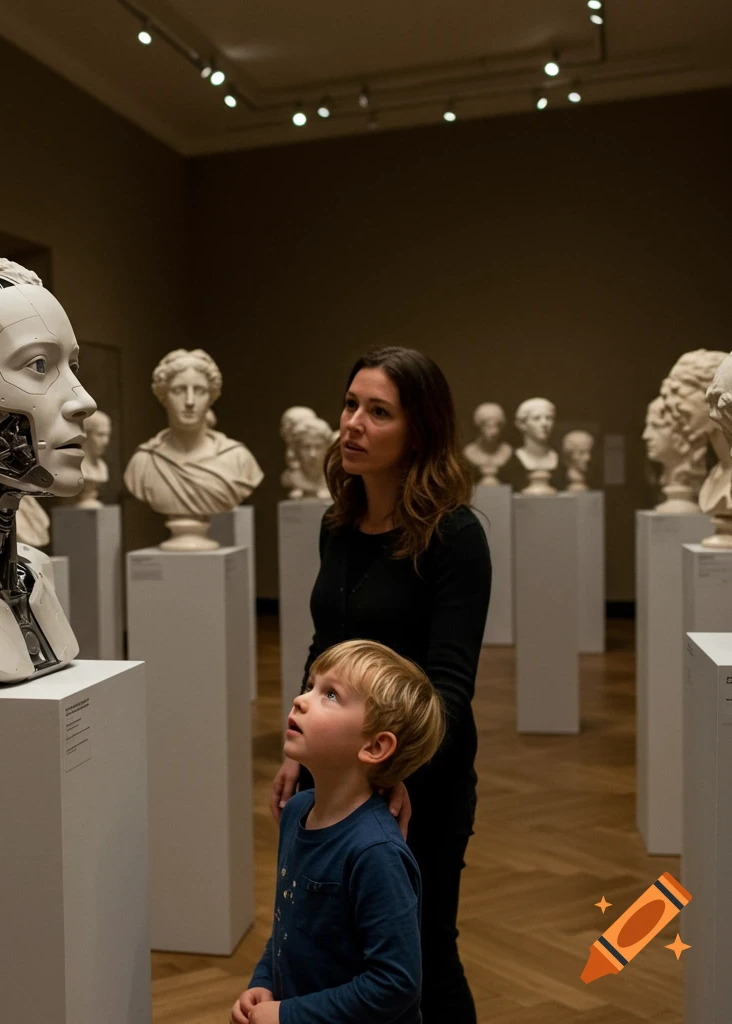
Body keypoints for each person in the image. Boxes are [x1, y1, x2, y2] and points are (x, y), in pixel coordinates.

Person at [270, 346, 491, 1023]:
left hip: (418, 781)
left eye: (378, 412)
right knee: (328, 947)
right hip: (339, 767)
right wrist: (293, 750)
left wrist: (397, 772)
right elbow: (325, 648)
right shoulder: (338, 523)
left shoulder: (454, 537)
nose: (353, 425)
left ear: (418, 431)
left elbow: (451, 685)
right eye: (350, 405)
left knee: (423, 952)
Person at [233, 639, 444, 1024]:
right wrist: (264, 982)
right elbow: (289, 924)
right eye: (310, 686)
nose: (301, 700)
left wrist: (288, 1015)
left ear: (376, 746)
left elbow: (395, 983)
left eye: (330, 694)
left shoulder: (376, 852)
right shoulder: (298, 810)